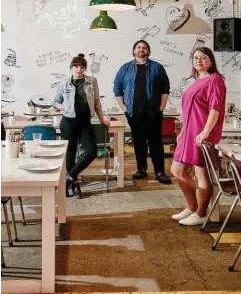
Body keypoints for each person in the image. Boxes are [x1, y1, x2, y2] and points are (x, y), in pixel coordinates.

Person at [171, 47, 226, 226]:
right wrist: (182, 132)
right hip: (188, 133)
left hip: (202, 134)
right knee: (177, 171)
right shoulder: (196, 81)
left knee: (201, 173)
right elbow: (189, 110)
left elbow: (214, 110)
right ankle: (192, 206)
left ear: (211, 61)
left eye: (203, 58)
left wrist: (205, 132)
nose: (199, 60)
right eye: (195, 58)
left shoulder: (215, 80)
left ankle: (201, 213)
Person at [113, 40, 171, 184]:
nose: (141, 49)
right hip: (134, 113)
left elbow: (165, 87)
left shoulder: (157, 68)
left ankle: (160, 172)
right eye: (138, 47)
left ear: (148, 51)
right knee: (139, 142)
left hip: (153, 112)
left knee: (156, 142)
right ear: (134, 51)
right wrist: (124, 108)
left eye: (144, 47)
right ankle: (141, 169)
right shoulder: (125, 68)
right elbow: (117, 89)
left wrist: (162, 106)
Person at [53, 53, 109, 199]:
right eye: (76, 66)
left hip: (85, 121)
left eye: (82, 67)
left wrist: (102, 119)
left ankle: (67, 179)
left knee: (91, 152)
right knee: (70, 152)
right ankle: (75, 185)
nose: (78, 69)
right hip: (68, 122)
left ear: (85, 68)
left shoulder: (92, 81)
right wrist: (64, 108)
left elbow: (96, 102)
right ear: (71, 68)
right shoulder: (64, 84)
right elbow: (55, 102)